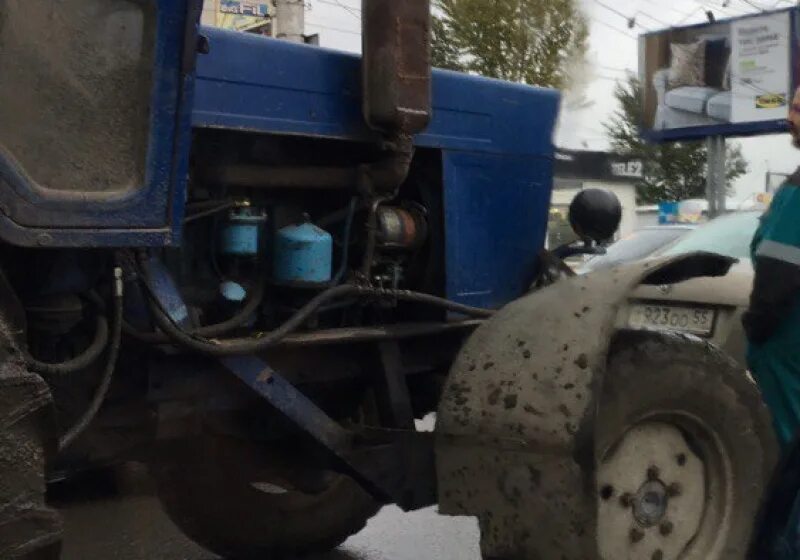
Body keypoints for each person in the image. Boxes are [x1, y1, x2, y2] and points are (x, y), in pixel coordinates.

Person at [745, 86, 800, 558]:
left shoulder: (798, 190)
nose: (791, 116)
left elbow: (779, 270)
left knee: (781, 467)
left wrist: (755, 328)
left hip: (787, 350)